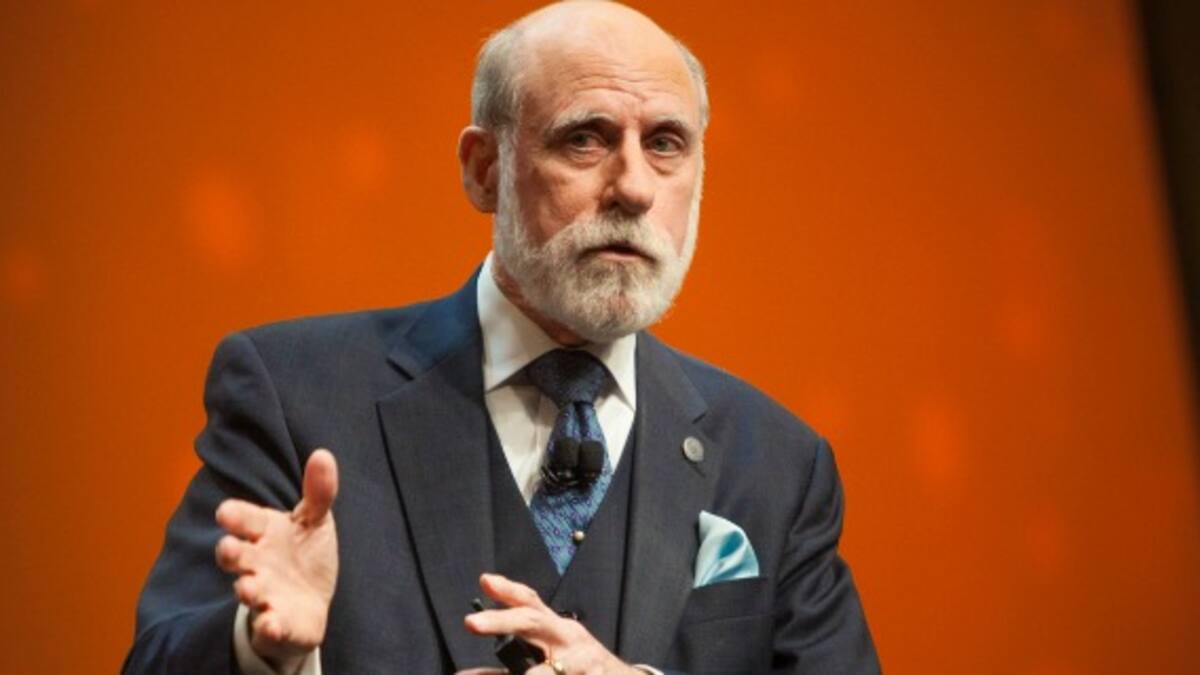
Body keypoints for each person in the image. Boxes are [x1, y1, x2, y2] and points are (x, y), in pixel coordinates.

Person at [124, 2, 879, 673]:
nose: (634, 186)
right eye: (585, 139)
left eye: (666, 144)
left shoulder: (777, 466)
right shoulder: (294, 397)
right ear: (484, 170)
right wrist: (260, 650)